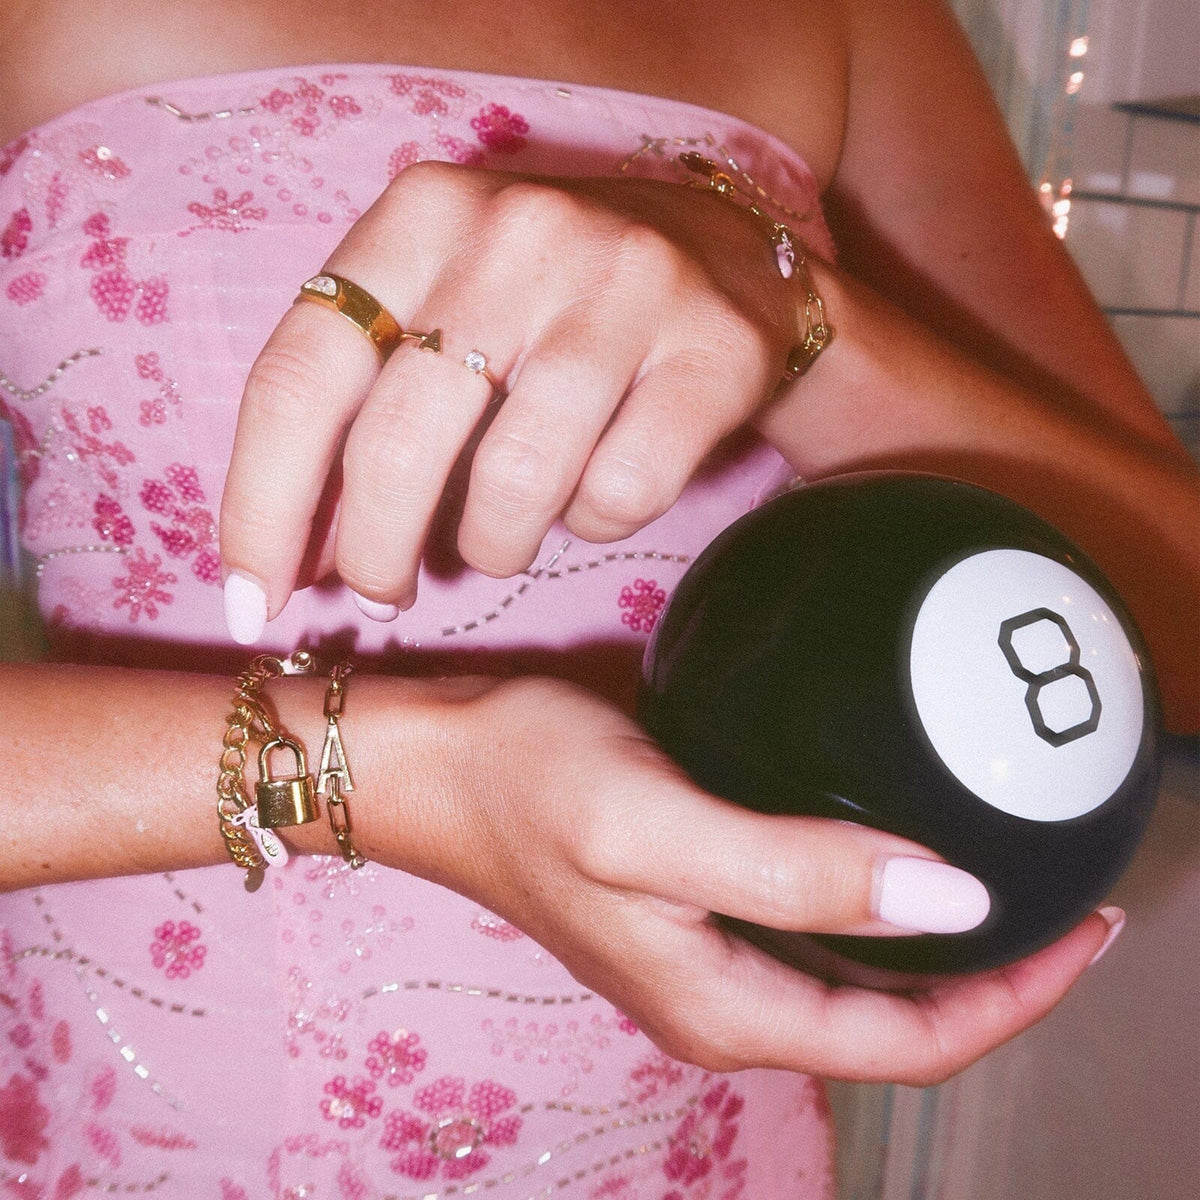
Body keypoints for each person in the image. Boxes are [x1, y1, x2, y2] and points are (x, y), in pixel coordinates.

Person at [0, 0, 1196, 1195]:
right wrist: (387, 774)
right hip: (143, 1133)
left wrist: (794, 313)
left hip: (708, 1149)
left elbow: (1174, 617)